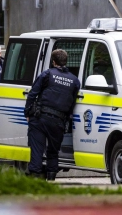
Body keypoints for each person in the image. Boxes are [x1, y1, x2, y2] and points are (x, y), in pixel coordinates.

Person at [25, 49, 80, 181]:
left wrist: (27, 112)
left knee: (37, 149)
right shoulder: (75, 80)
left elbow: (33, 93)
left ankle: (35, 177)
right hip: (59, 121)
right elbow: (72, 102)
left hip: (40, 118)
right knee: (53, 152)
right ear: (66, 61)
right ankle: (51, 177)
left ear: (53, 62)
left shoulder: (47, 74)